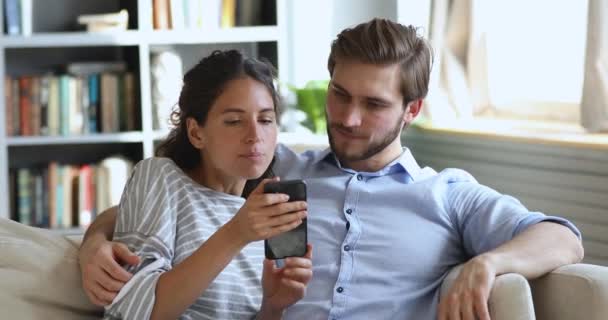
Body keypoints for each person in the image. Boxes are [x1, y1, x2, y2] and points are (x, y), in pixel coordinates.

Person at [79, 19, 583, 320]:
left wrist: (489, 263)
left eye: (373, 104)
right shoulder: (274, 166)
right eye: (339, 94)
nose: (347, 117)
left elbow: (562, 239)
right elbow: (163, 199)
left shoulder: (447, 195)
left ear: (413, 110)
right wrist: (95, 243)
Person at [92, 50, 313, 320]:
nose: (255, 136)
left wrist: (273, 307)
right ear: (197, 133)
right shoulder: (162, 178)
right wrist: (235, 233)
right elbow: (133, 310)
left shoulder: (263, 216)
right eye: (234, 121)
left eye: (266, 120)